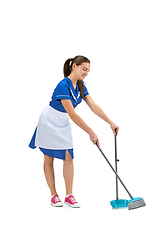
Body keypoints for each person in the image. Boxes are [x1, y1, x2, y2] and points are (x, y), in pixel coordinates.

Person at [29, 55, 119, 208]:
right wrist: (90, 131)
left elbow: (93, 106)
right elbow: (72, 114)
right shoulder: (63, 85)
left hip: (62, 122)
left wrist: (110, 122)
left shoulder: (81, 85)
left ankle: (69, 195)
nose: (86, 73)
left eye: (88, 70)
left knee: (68, 156)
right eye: (84, 69)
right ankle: (53, 195)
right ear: (74, 66)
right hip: (49, 121)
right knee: (49, 159)